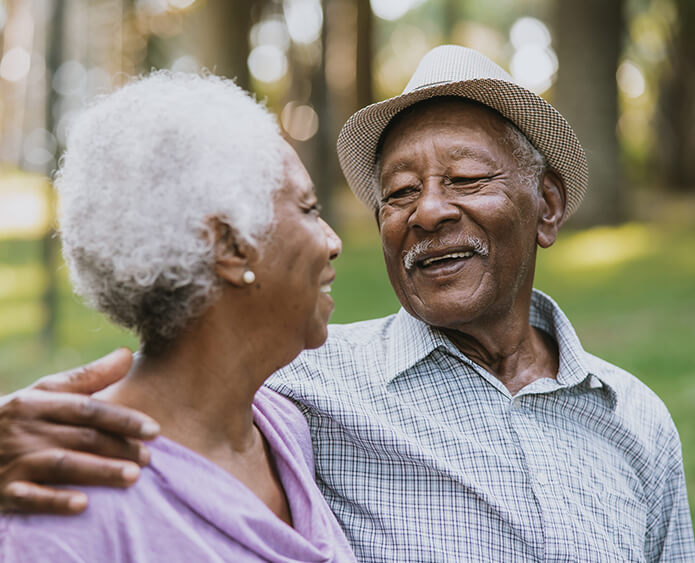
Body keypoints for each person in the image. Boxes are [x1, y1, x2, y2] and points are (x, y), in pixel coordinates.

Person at [1, 46, 694, 562]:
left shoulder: (635, 420)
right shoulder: (305, 388)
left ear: (545, 207)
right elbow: (177, 361)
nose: (426, 212)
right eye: (396, 193)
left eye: (465, 178)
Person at [0, 71, 356, 562]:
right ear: (230, 245)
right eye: (309, 208)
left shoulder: (282, 428)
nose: (334, 242)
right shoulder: (70, 499)